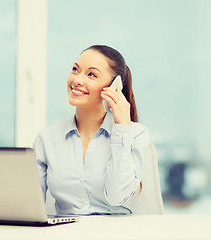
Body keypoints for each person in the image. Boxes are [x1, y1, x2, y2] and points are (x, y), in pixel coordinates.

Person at [33, 45, 150, 215]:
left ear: (114, 87)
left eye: (91, 74)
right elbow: (31, 207)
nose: (77, 80)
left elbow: (117, 197)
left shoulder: (136, 134)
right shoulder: (47, 138)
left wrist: (122, 128)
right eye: (75, 69)